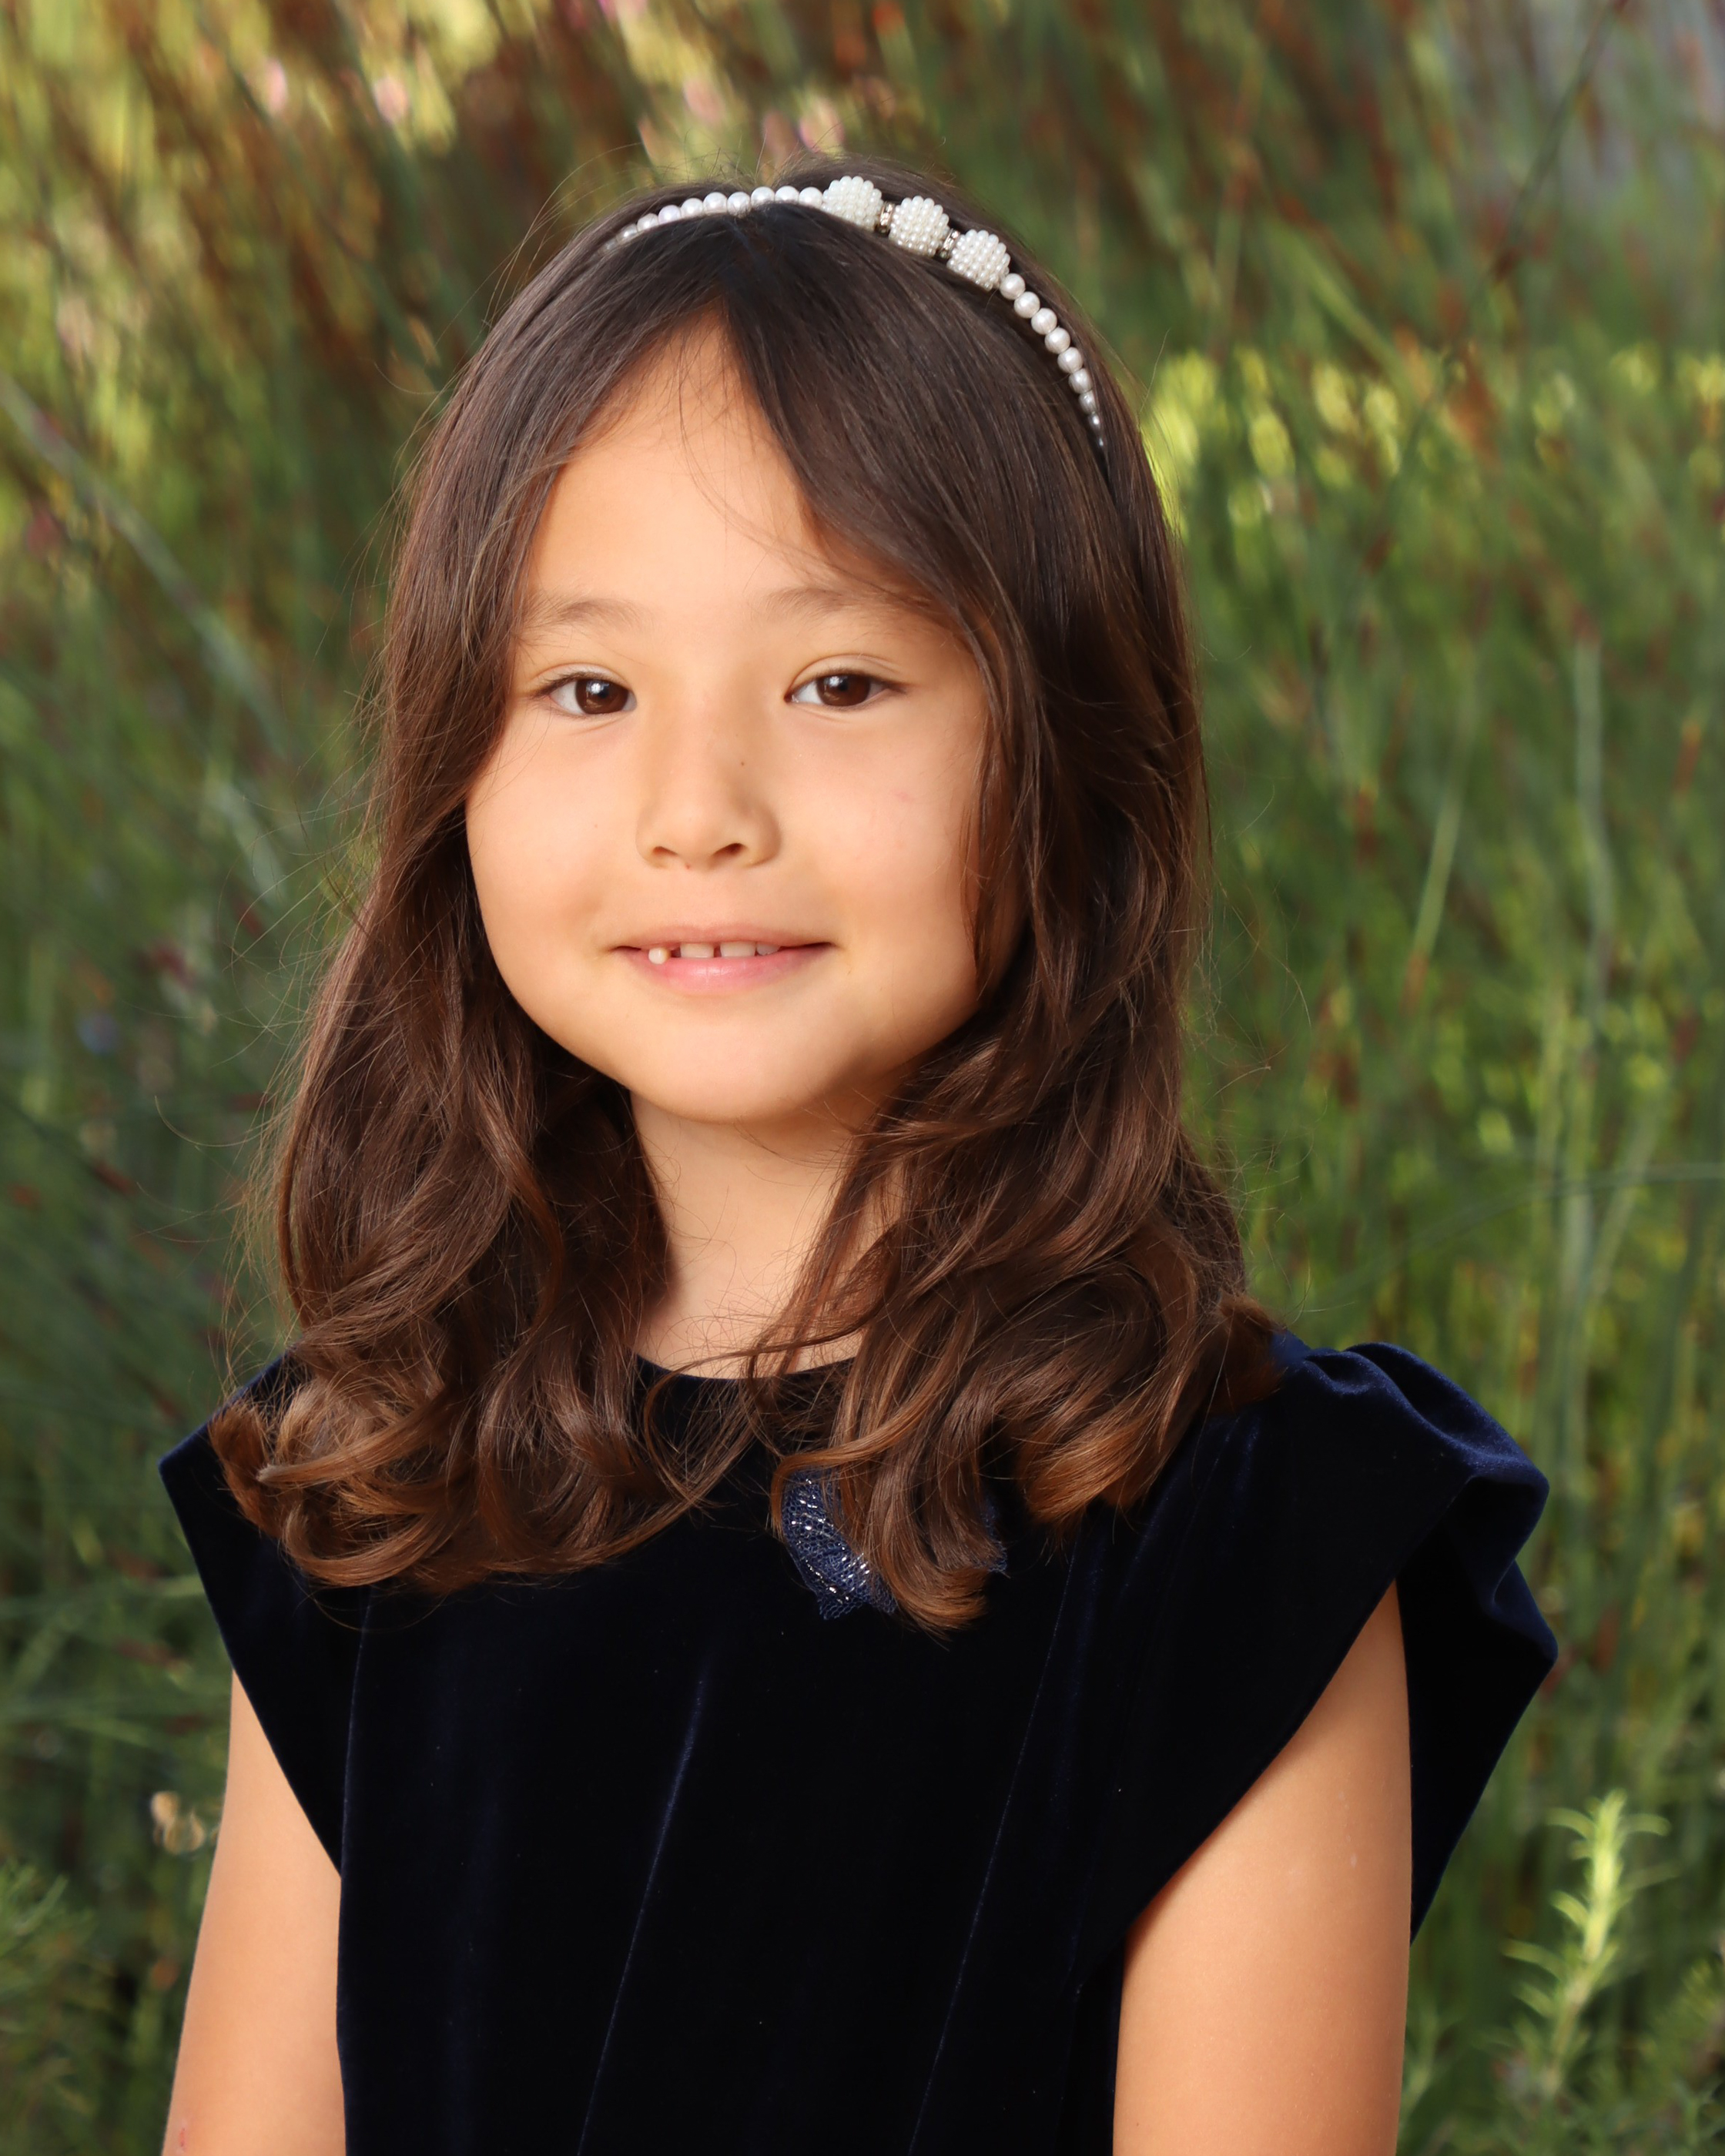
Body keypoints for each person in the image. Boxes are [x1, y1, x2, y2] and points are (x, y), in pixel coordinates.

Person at [157, 152, 1556, 2156]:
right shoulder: (370, 1484)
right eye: (586, 687)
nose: (699, 805)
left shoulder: (1243, 1546)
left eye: (837, 682)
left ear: (1067, 753)